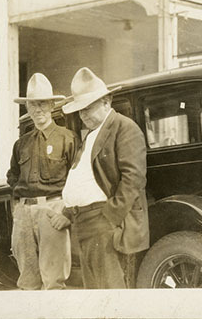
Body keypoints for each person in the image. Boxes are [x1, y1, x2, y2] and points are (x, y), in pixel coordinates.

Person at [49, 67, 149, 289]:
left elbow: (133, 179)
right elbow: (83, 176)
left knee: (111, 295)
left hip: (105, 225)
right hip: (87, 224)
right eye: (80, 110)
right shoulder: (92, 134)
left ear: (107, 101)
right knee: (95, 294)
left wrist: (110, 218)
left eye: (88, 108)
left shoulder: (124, 128)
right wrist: (69, 210)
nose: (83, 115)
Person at [6, 73, 77, 290]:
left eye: (42, 104)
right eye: (32, 105)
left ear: (52, 105)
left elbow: (77, 180)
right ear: (27, 109)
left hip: (53, 210)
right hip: (24, 214)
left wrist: (67, 213)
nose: (38, 110)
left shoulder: (68, 138)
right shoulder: (22, 143)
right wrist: (18, 210)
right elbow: (13, 177)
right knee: (27, 280)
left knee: (54, 281)